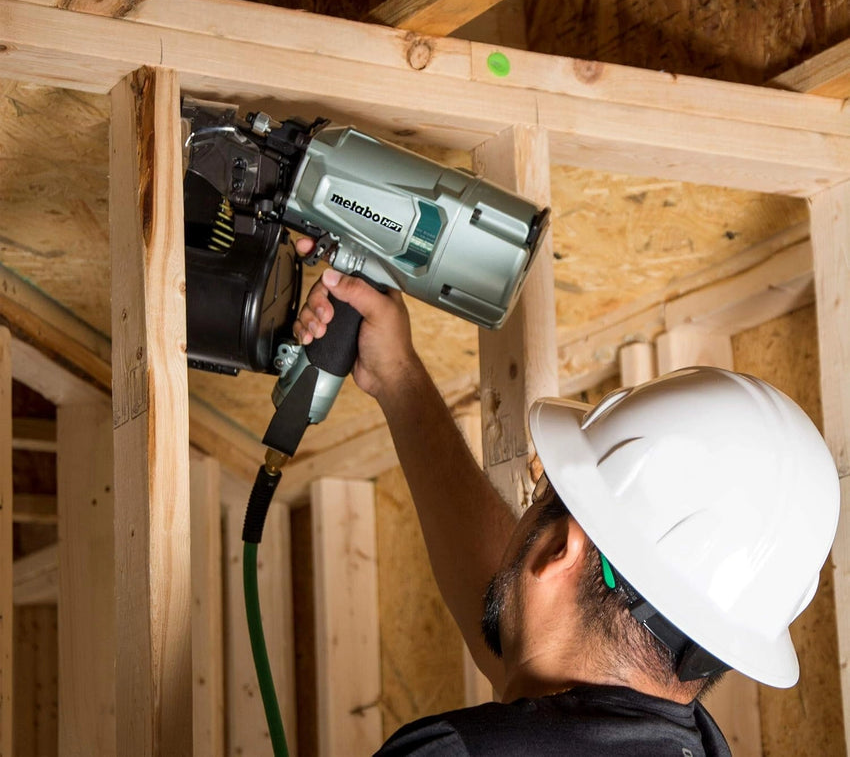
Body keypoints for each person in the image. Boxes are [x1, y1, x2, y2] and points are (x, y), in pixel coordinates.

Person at [294, 262, 841, 757]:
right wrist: (397, 377)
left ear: (560, 549)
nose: (527, 511)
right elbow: (540, 649)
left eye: (538, 497)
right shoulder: (688, 740)